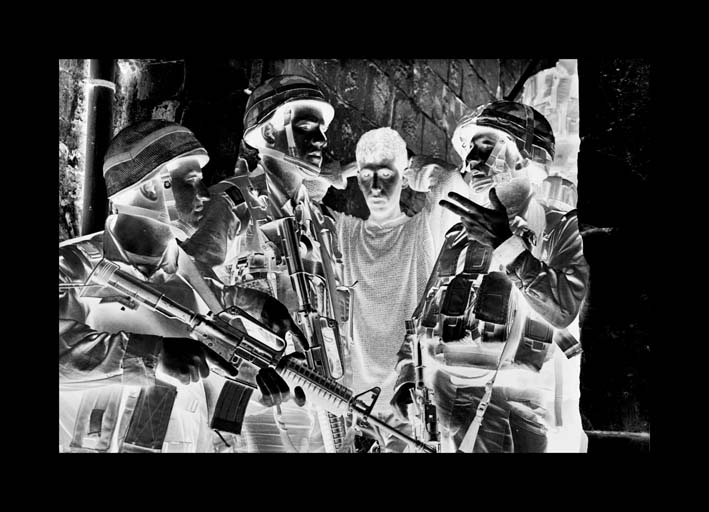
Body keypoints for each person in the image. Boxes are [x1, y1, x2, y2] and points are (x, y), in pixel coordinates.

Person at [59, 120, 291, 453]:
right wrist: (155, 354)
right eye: (192, 180)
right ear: (153, 189)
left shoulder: (195, 277)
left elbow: (211, 391)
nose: (205, 195)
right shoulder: (73, 266)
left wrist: (256, 391)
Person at [391, 100, 590, 453]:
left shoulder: (559, 229)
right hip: (438, 400)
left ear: (523, 156)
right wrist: (407, 377)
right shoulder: (459, 233)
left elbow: (564, 309)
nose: (470, 158)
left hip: (508, 411)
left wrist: (505, 244)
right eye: (469, 147)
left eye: (485, 144)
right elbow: (421, 319)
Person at [182, 75, 356, 453]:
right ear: (269, 134)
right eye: (306, 128)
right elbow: (187, 276)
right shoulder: (233, 203)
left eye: (322, 130)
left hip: (315, 397)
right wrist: (250, 306)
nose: (321, 140)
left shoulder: (321, 224)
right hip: (248, 395)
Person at [319, 127, 467, 451]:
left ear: (403, 178)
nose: (375, 186)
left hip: (409, 400)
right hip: (357, 408)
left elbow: (450, 181)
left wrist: (405, 164)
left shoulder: (424, 230)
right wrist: (342, 171)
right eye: (366, 176)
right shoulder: (344, 232)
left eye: (386, 174)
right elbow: (301, 197)